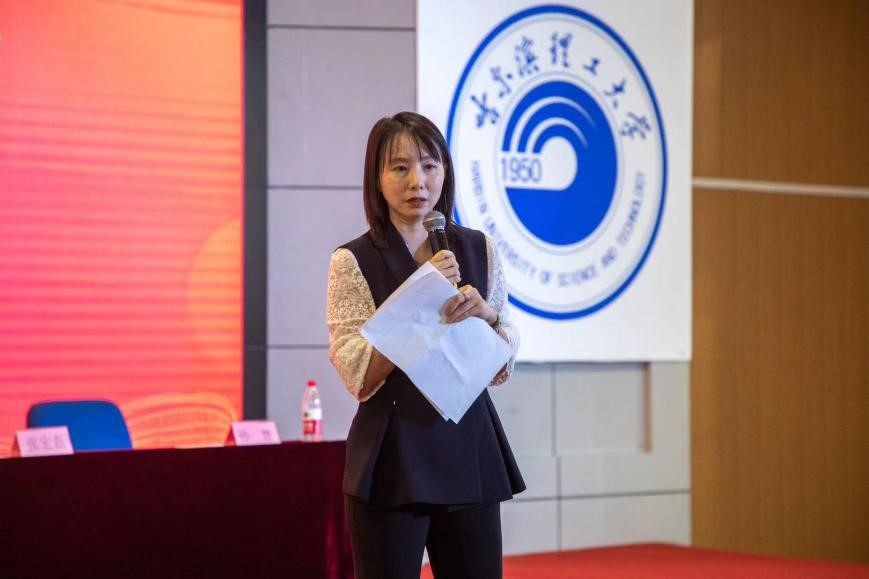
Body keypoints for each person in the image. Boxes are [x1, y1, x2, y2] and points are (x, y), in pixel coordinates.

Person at [326, 111, 525, 579]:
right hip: (393, 457)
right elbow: (357, 373)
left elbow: (502, 363)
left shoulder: (479, 248)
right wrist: (418, 296)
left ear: (445, 172)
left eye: (430, 166)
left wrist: (489, 316)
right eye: (400, 168)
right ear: (377, 179)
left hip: (470, 448)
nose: (417, 181)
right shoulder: (353, 260)